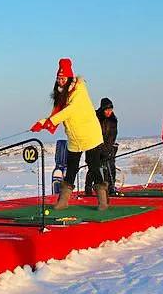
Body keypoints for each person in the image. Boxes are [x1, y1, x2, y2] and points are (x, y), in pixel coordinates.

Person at [32, 58, 108, 211]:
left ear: (69, 78)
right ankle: (64, 200)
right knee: (71, 168)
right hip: (74, 137)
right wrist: (42, 123)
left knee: (93, 166)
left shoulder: (79, 90)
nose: (60, 81)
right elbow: (57, 113)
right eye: (58, 79)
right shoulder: (62, 95)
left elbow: (69, 111)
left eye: (63, 78)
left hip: (89, 135)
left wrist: (50, 122)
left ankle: (103, 200)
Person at [85, 98, 119, 196]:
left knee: (110, 166)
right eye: (107, 110)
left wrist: (107, 148)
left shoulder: (113, 120)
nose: (109, 112)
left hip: (107, 146)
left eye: (111, 110)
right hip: (94, 145)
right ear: (102, 109)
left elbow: (113, 135)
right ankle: (88, 187)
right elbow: (91, 132)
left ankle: (111, 187)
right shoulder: (95, 117)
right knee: (93, 167)